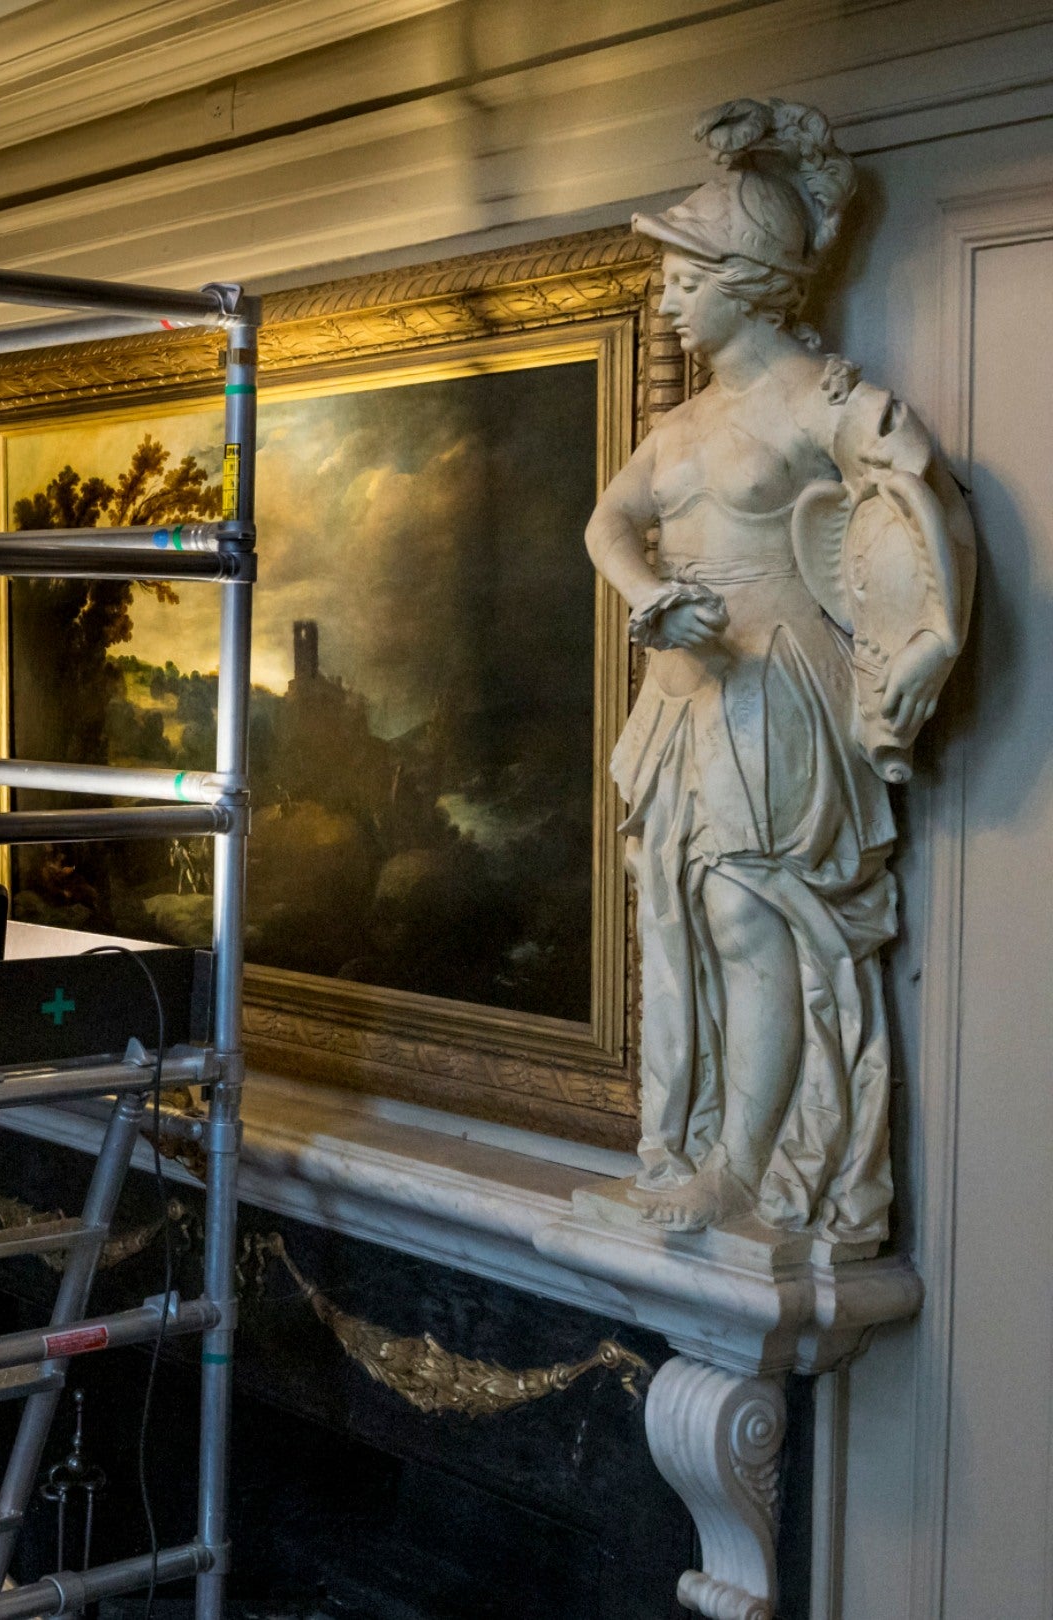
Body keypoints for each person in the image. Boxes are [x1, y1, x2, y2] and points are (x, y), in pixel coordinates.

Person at [585, 99, 972, 1242]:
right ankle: (680, 1141)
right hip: (686, 695)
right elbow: (606, 526)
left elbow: (917, 508)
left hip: (777, 693)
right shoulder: (685, 423)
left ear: (749, 283)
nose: (664, 296)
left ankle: (741, 1169)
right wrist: (650, 598)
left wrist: (931, 639)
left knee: (751, 921)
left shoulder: (821, 399)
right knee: (678, 919)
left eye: (682, 277)